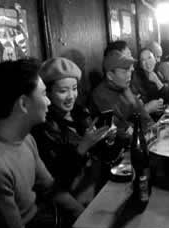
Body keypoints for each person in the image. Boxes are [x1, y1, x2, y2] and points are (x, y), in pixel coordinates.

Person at [0, 59, 88, 228]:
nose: (49, 101)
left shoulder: (26, 139)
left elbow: (51, 187)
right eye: (44, 94)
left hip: (46, 221)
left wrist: (85, 216)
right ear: (24, 104)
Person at [32, 57, 115, 207]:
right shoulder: (44, 127)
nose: (71, 96)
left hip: (101, 185)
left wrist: (106, 140)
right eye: (63, 91)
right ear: (48, 93)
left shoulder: (81, 112)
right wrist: (82, 147)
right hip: (76, 200)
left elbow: (99, 155)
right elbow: (57, 182)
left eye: (74, 88)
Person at [89, 49, 153, 142]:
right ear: (110, 76)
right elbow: (121, 131)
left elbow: (144, 117)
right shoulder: (100, 96)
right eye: (124, 72)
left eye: (130, 70)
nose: (129, 75)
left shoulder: (123, 87)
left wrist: (154, 128)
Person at [132, 48, 169, 121]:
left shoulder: (157, 72)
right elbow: (134, 110)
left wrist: (157, 81)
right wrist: (148, 108)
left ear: (154, 59)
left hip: (161, 119)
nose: (147, 62)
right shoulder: (136, 78)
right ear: (140, 64)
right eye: (143, 60)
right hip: (147, 123)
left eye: (149, 58)